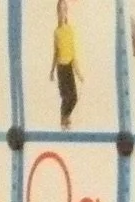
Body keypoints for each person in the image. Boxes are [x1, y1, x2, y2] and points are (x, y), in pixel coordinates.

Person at [51, 0, 81, 129]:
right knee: (65, 97)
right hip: (61, 67)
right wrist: (52, 70)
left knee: (73, 97)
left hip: (69, 66)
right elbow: (56, 52)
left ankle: (65, 117)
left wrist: (78, 72)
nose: (62, 13)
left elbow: (73, 52)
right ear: (57, 13)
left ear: (66, 12)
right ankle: (63, 122)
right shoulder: (56, 32)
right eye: (60, 10)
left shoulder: (70, 30)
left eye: (64, 10)